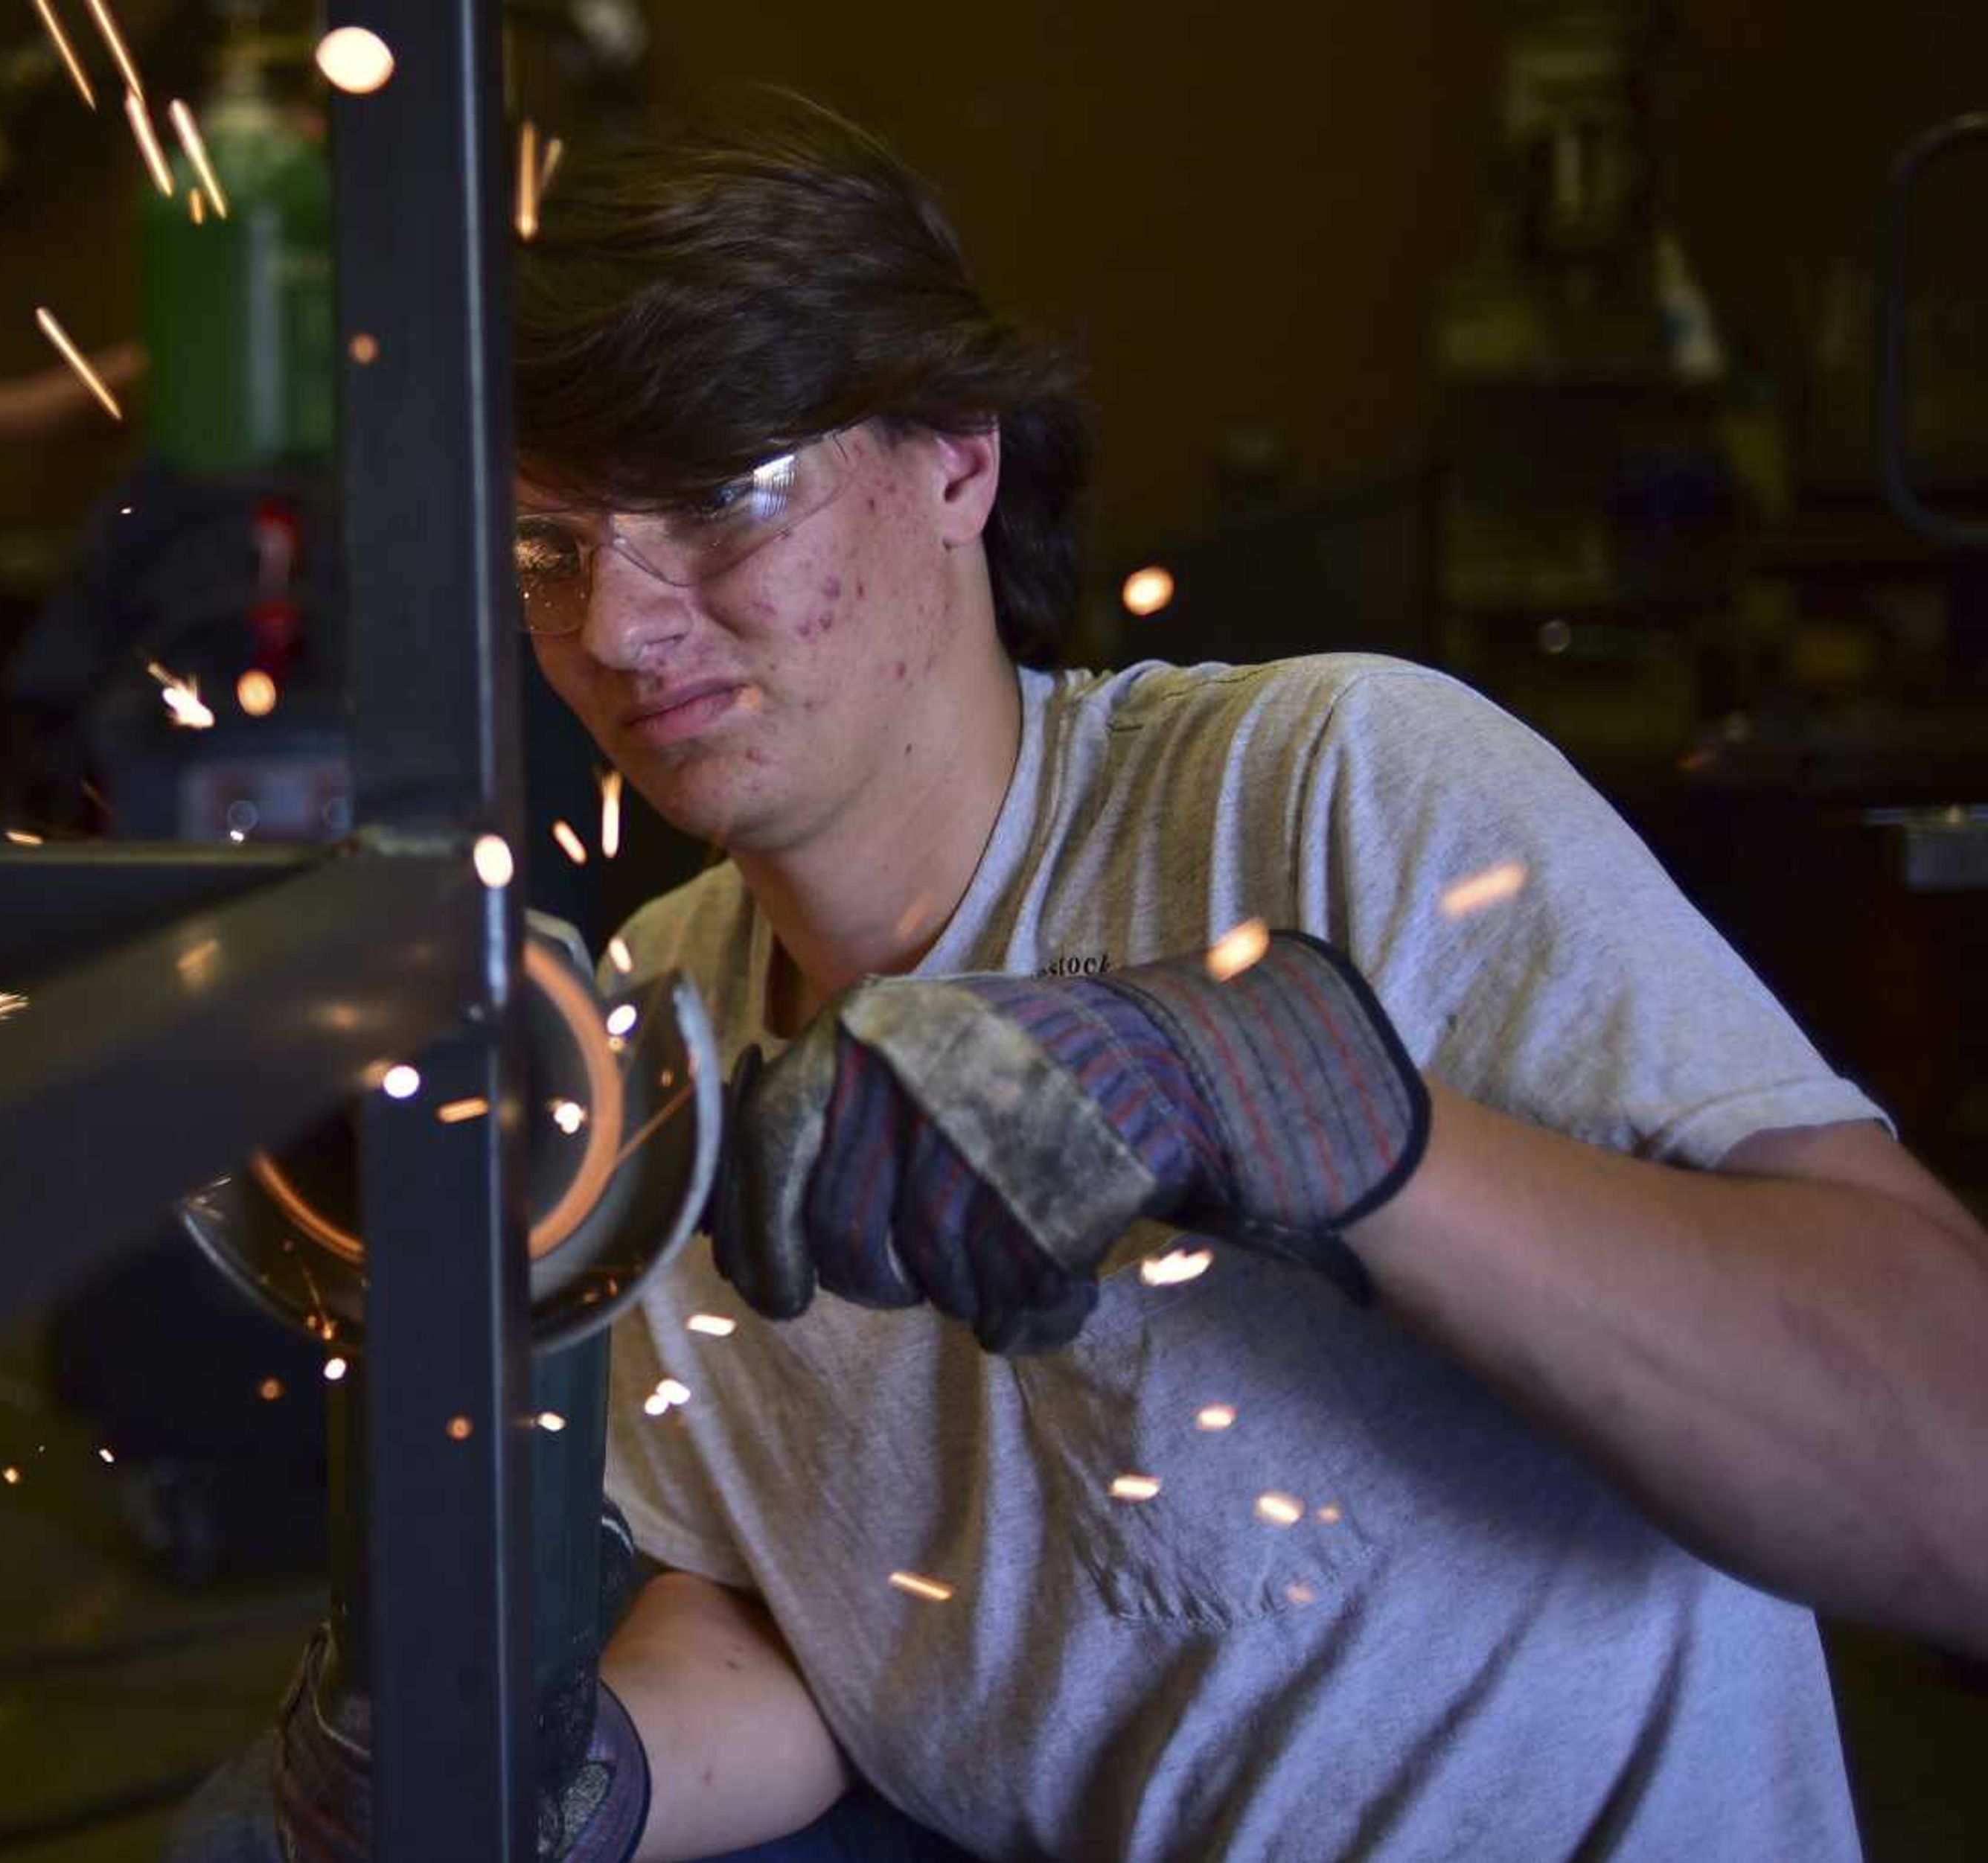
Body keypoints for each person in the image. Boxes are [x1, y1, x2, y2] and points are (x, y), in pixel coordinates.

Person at [176, 88, 1988, 1862]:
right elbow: (792, 1620)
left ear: (960, 459)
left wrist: (1329, 1120)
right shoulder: (654, 1013)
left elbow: (1956, 1472)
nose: (618, 628)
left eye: (724, 500)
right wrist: (575, 1785)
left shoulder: (1337, 794)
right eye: (548, 548)